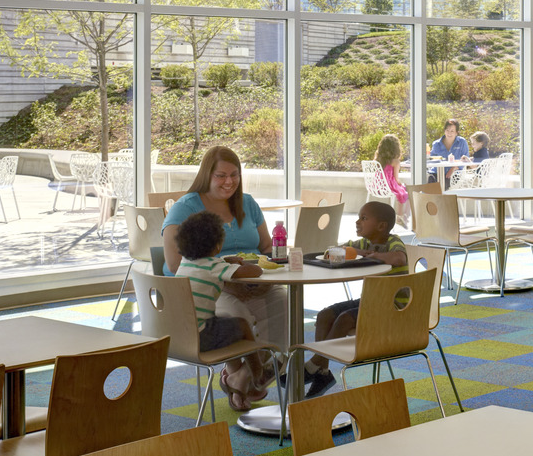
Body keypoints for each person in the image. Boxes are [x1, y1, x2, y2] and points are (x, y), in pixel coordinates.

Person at [161, 145, 286, 350]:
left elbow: (265, 246)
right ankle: (245, 376)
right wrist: (225, 282)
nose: (229, 182)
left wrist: (267, 277)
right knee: (237, 316)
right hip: (211, 288)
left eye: (234, 175)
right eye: (221, 175)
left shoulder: (248, 203)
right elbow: (174, 264)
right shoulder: (184, 208)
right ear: (206, 175)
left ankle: (273, 365)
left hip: (255, 281)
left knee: (282, 302)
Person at [300, 200, 407, 398]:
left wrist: (374, 256)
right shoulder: (363, 243)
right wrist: (359, 252)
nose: (357, 222)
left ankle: (315, 363)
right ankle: (322, 371)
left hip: (393, 306)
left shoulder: (392, 241)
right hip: (370, 300)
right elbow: (334, 250)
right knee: (324, 315)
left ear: (382, 226)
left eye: (364, 218)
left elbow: (399, 258)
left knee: (344, 319)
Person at [172, 211, 273, 412]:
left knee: (226, 324)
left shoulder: (185, 263)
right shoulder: (214, 266)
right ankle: (258, 373)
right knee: (242, 325)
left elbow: (215, 264)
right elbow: (254, 272)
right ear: (217, 245)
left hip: (178, 338)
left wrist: (226, 260)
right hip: (202, 337)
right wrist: (245, 265)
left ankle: (236, 379)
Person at [374, 133, 410, 227]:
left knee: (402, 191)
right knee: (404, 191)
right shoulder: (395, 162)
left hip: (377, 186)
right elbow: (396, 178)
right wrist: (401, 184)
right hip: (388, 186)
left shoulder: (378, 160)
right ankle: (402, 216)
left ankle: (401, 217)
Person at [428, 117, 467, 187]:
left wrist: (453, 168)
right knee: (431, 184)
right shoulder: (436, 144)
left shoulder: (462, 142)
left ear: (456, 132)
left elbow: (466, 159)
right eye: (447, 130)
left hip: (455, 174)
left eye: (452, 131)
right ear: (444, 131)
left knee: (445, 184)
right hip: (436, 173)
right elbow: (432, 160)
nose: (449, 133)